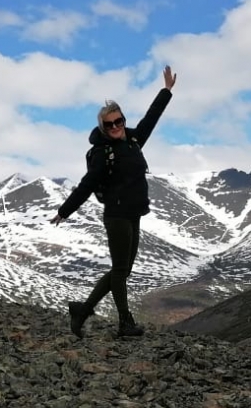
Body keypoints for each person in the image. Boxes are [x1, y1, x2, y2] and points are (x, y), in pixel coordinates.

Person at [51, 65, 178, 338]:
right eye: (110, 124)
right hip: (117, 216)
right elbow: (87, 184)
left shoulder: (133, 140)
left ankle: (83, 310)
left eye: (119, 121)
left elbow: (150, 119)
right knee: (121, 270)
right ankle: (125, 323)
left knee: (123, 270)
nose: (116, 127)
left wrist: (166, 92)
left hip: (134, 214)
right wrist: (65, 210)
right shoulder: (101, 153)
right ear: (103, 127)